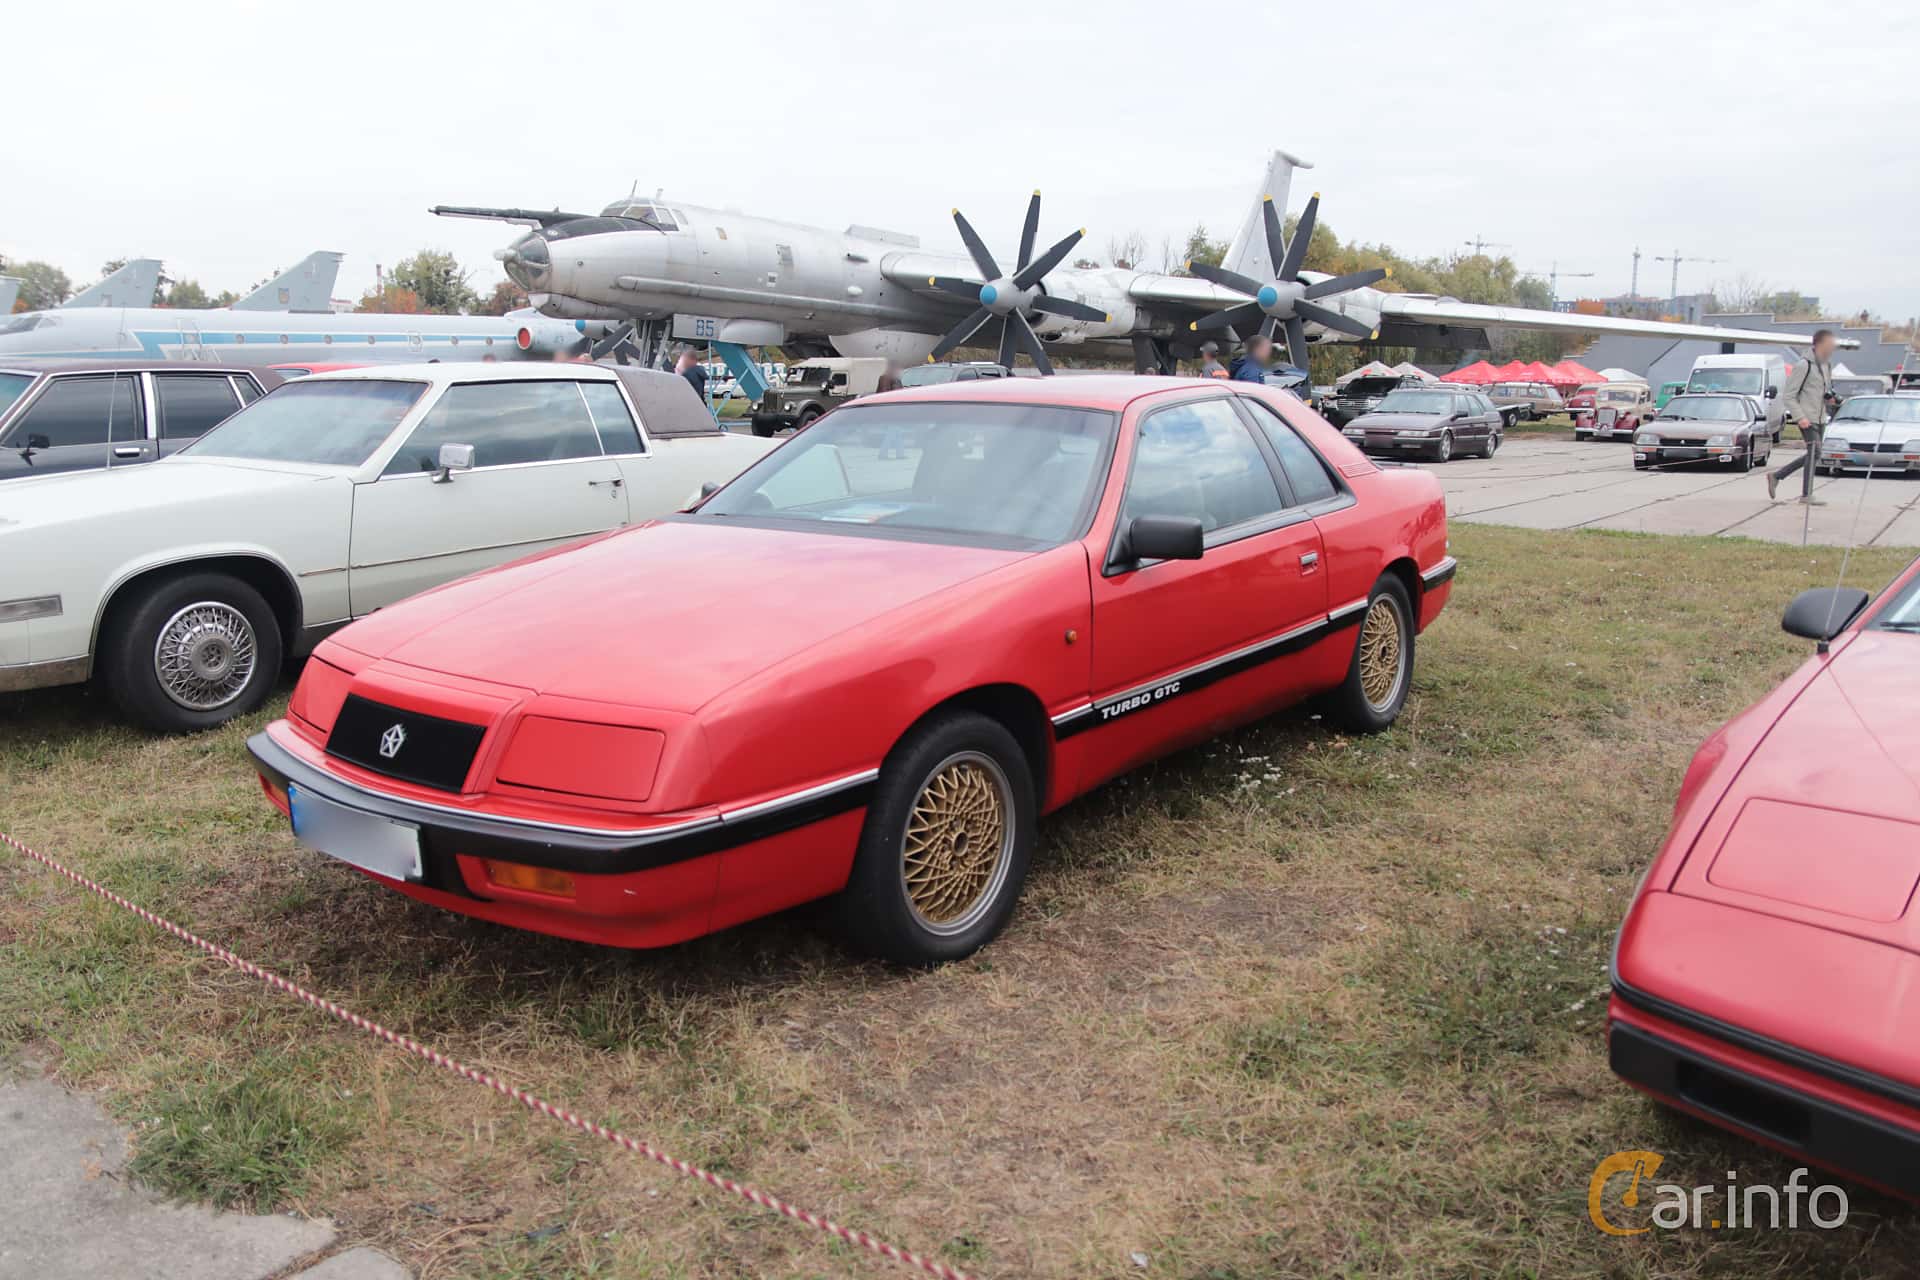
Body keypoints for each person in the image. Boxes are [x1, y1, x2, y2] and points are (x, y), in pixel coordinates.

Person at [1767, 329, 1837, 503]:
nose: (1832, 348)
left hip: (1821, 417)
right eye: (1829, 344)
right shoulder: (1803, 365)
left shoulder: (1827, 365)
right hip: (1807, 418)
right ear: (1818, 344)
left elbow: (1822, 390)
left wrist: (1830, 399)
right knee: (1815, 452)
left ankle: (1777, 476)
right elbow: (1789, 395)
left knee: (1815, 454)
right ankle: (1806, 495)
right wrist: (1800, 417)